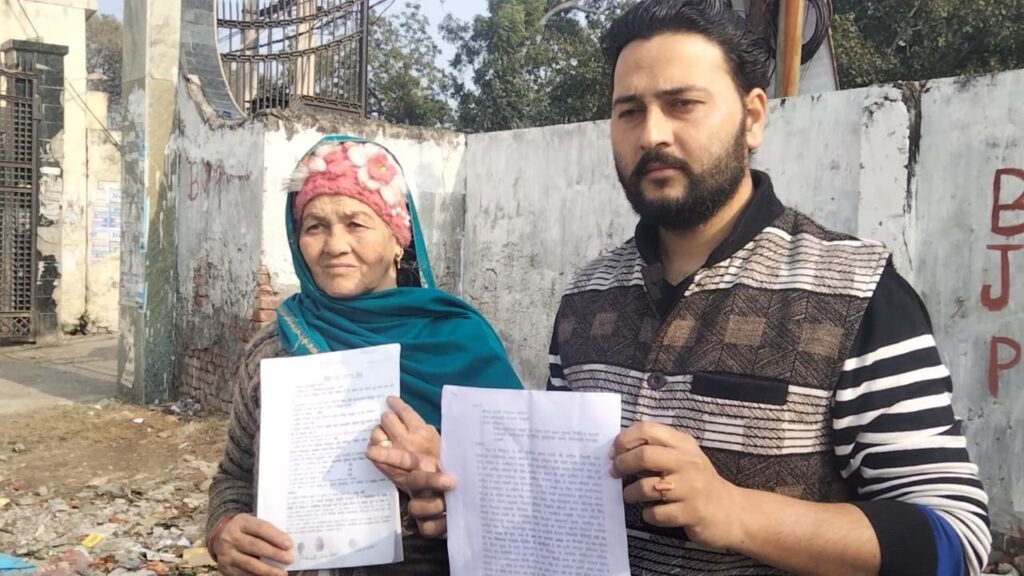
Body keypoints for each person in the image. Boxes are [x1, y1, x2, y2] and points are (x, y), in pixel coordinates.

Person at [370, 1, 993, 575]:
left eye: (683, 104)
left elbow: (957, 541)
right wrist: (465, 499)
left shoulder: (857, 291)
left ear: (753, 117)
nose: (652, 134)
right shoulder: (587, 297)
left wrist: (737, 512)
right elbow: (567, 513)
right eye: (629, 111)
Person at [204, 135, 522, 576]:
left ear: (398, 239)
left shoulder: (461, 343)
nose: (334, 245)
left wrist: (449, 467)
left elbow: (524, 489)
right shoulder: (276, 349)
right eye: (314, 227)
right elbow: (235, 476)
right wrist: (223, 529)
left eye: (355, 223)